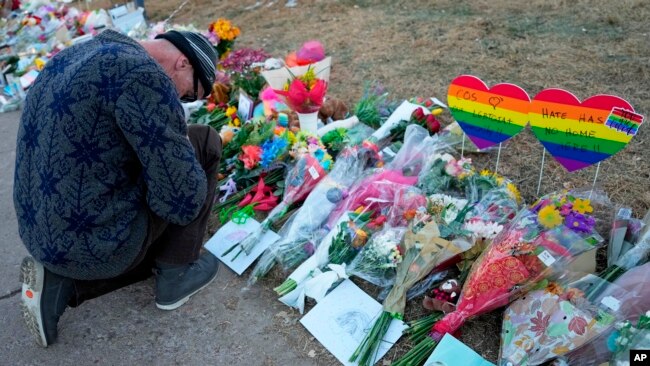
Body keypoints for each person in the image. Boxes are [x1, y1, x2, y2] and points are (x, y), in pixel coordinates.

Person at [13, 28, 222, 347]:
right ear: (183, 63)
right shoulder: (143, 76)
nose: (184, 101)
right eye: (191, 95)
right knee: (204, 142)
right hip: (87, 238)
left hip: (38, 228)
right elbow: (179, 200)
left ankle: (64, 282)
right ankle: (176, 273)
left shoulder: (78, 53)